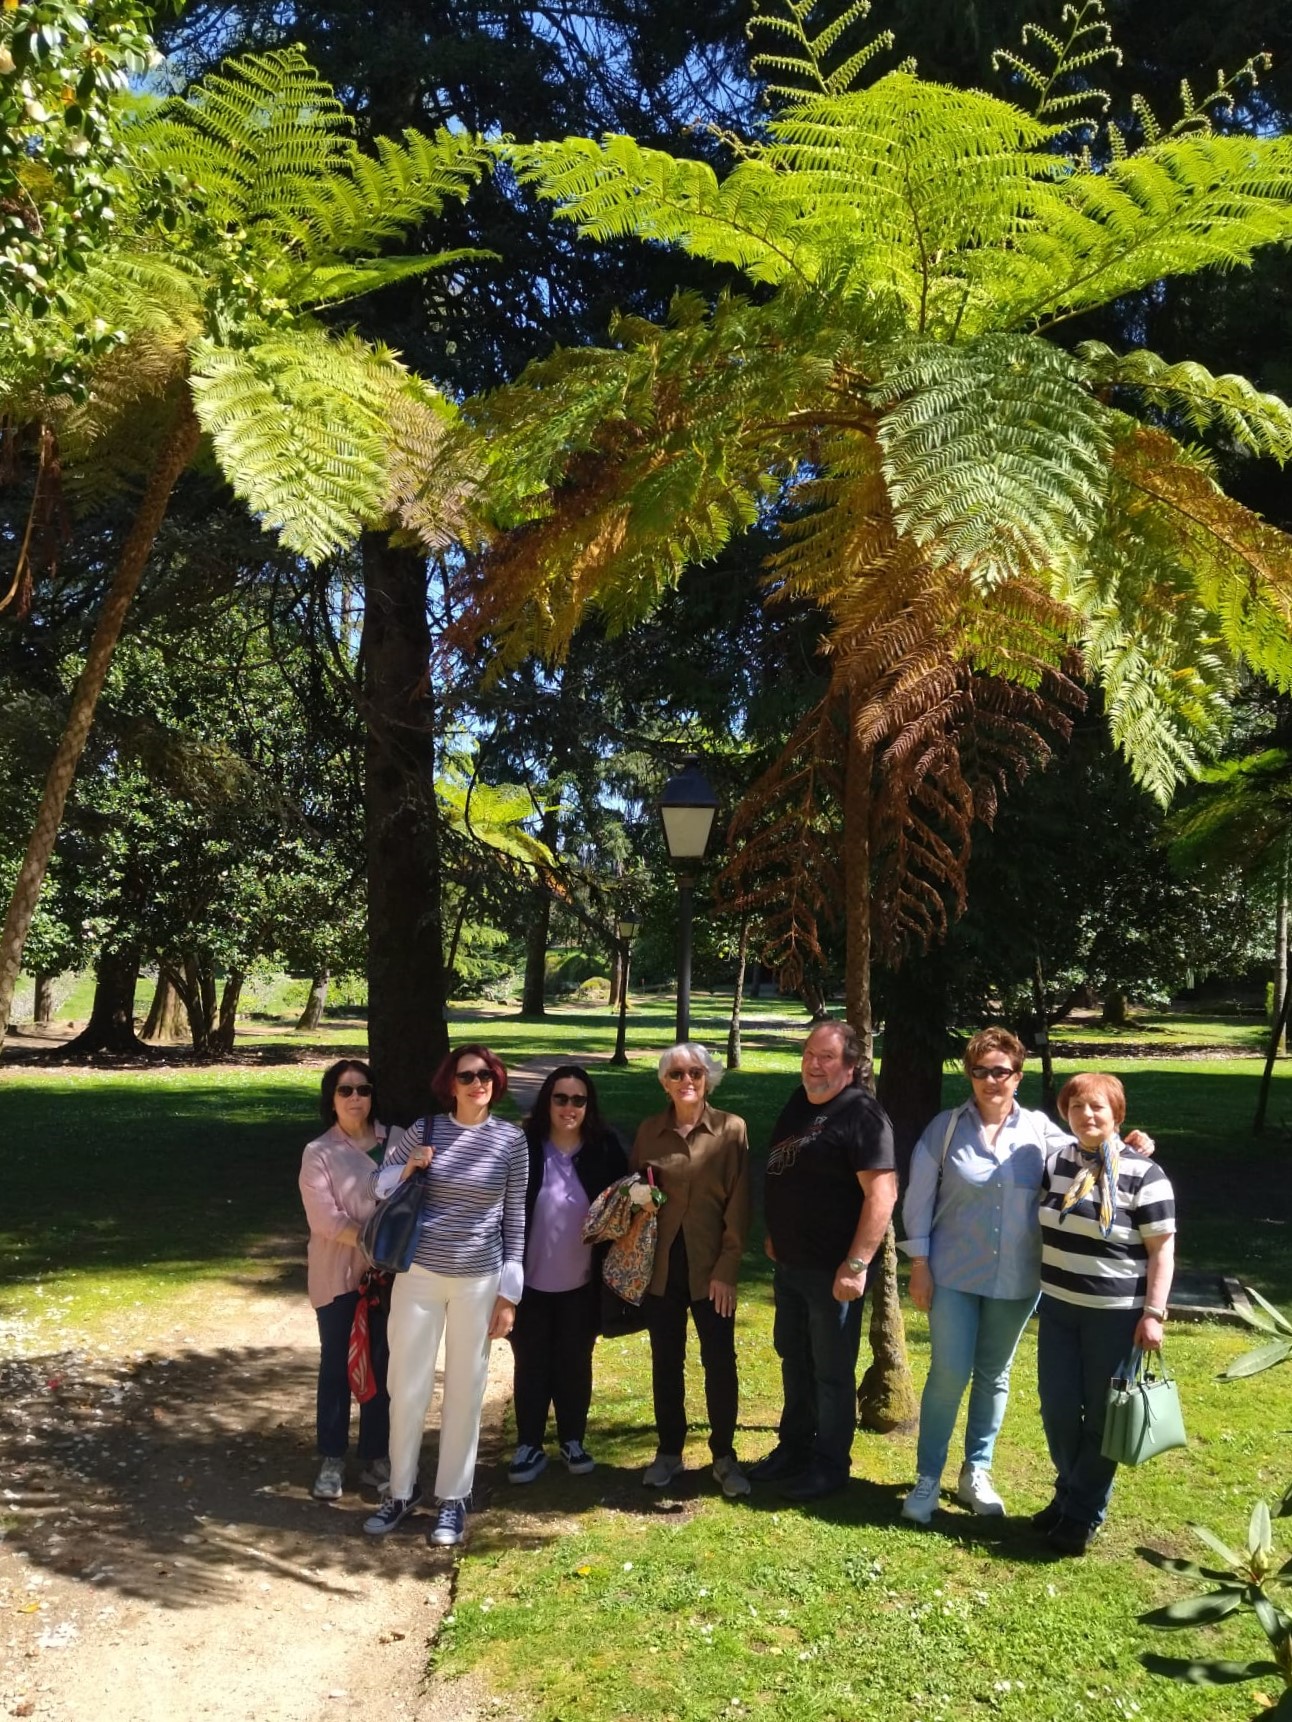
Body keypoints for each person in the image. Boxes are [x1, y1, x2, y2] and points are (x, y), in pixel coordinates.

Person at [899, 1031, 1155, 1527]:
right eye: (980, 1071)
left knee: (994, 1375)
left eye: (1001, 1071)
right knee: (949, 1372)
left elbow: (1091, 1152)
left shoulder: (1040, 1132)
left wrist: (1131, 1144)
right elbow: (918, 1200)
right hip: (952, 1273)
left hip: (1017, 1279)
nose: (990, 1081)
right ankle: (927, 1478)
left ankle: (976, 1472)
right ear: (970, 1075)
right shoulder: (945, 1129)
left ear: (1017, 1076)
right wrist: (920, 1265)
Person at [364, 1043, 527, 1549]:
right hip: (419, 1275)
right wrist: (409, 1166)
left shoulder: (511, 1140)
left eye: (486, 1075)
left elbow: (515, 1218)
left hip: (478, 1281)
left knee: (465, 1389)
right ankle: (400, 1490)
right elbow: (376, 1186)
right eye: (467, 1076)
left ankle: (454, 1496)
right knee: (407, 1386)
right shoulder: (426, 1129)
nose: (478, 1084)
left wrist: (509, 1295)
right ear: (450, 1084)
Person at [750, 1020, 898, 1501]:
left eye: (827, 1057)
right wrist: (776, 1232)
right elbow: (788, 1171)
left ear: (850, 1065)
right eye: (809, 1054)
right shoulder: (800, 1101)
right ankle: (794, 1448)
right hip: (791, 1265)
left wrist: (856, 1265)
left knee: (832, 1373)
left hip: (833, 1272)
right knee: (794, 1358)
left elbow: (882, 1195)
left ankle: (830, 1465)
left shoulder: (863, 1115)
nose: (814, 1065)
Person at [1035, 1072, 1175, 1556]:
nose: (1087, 1115)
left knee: (1102, 1417)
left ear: (1117, 1113)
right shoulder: (1056, 1162)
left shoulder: (1145, 1175)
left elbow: (1162, 1251)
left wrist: (1154, 1313)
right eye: (1076, 1107)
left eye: (1097, 1107)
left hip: (1116, 1316)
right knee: (1056, 1408)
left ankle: (1079, 1513)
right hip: (1058, 1306)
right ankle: (1070, 1492)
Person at [630, 1044, 752, 1498]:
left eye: (696, 1073)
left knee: (719, 1361)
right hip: (662, 1268)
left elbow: (740, 1202)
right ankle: (669, 1452)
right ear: (664, 1082)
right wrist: (638, 1198)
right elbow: (632, 1190)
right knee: (666, 1361)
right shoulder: (649, 1131)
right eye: (677, 1074)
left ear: (708, 1079)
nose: (687, 1081)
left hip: (711, 1267)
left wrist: (728, 1266)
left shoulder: (731, 1130)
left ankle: (724, 1456)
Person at [507, 1065, 627, 1484]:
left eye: (579, 1100)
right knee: (531, 1363)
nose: (569, 1107)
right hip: (529, 1283)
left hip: (582, 1284)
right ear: (547, 1102)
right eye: (561, 1098)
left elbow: (624, 1205)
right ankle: (529, 1444)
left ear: (588, 1105)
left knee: (575, 1362)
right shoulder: (524, 1147)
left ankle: (573, 1440)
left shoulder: (604, 1149)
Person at [298, 1058, 391, 1501]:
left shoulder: (397, 1142)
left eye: (363, 1089)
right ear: (331, 1099)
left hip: (391, 1278)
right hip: (337, 1276)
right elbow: (326, 1220)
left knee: (383, 1364)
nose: (356, 1098)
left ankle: (376, 1456)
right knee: (337, 1365)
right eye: (345, 1090)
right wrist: (379, 1243)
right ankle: (332, 1458)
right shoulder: (319, 1152)